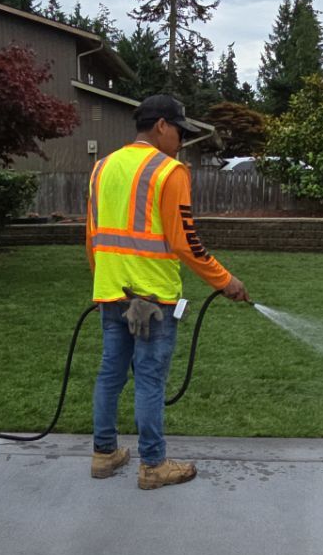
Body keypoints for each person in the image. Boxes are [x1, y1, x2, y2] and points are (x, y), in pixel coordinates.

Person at [86, 94, 249, 490]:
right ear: (161, 125)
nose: (181, 140)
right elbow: (185, 242)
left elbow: (91, 235)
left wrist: (104, 282)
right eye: (179, 131)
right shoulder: (168, 171)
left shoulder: (101, 167)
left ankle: (104, 454)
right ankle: (154, 465)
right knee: (149, 379)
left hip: (111, 293)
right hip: (154, 299)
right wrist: (224, 280)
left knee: (110, 374)